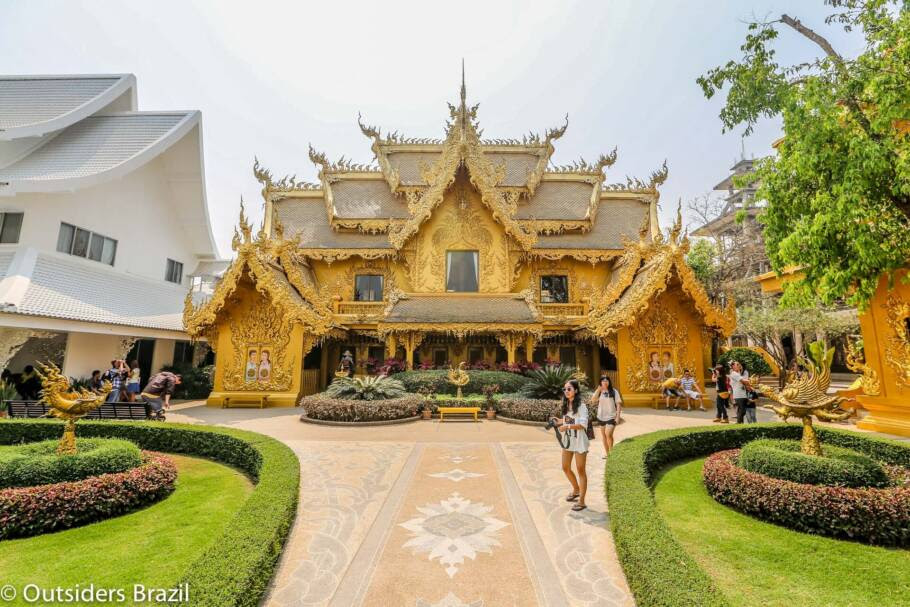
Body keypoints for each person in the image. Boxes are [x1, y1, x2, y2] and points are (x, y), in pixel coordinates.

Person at [554, 379, 589, 512]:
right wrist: (559, 421)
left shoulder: (582, 406)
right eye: (565, 389)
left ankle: (582, 501)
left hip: (579, 441)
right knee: (565, 467)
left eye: (569, 389)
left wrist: (566, 426)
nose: (566, 391)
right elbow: (569, 419)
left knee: (581, 470)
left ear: (576, 390)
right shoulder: (566, 404)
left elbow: (582, 424)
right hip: (568, 440)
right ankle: (576, 490)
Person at [591, 375, 622, 459]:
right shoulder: (599, 391)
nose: (605, 382)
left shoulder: (614, 391)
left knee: (608, 434)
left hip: (611, 416)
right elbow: (593, 400)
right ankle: (607, 454)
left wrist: (618, 417)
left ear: (609, 382)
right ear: (600, 382)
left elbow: (618, 404)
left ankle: (612, 453)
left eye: (607, 380)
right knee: (604, 436)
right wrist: (598, 390)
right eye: (603, 380)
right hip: (601, 416)